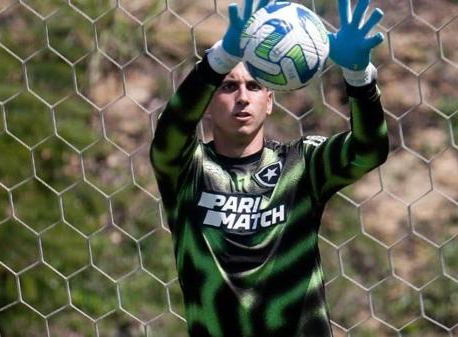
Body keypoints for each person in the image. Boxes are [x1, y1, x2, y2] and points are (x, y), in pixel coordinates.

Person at [149, 0, 389, 335]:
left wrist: (359, 79)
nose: (243, 97)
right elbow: (170, 129)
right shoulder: (188, 170)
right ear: (207, 103)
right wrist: (218, 59)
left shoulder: (302, 164)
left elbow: (369, 152)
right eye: (228, 86)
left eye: (254, 86)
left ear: (270, 100)